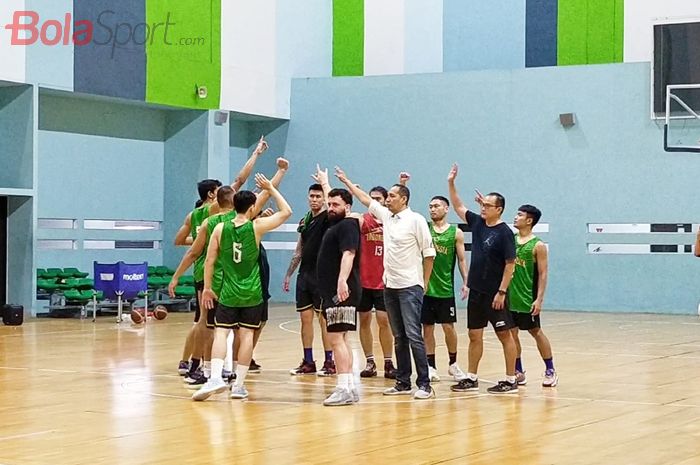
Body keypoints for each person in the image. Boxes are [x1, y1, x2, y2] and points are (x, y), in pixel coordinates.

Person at [169, 159, 289, 385]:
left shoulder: (207, 220)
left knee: (208, 325)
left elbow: (192, 252)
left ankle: (201, 368)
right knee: (238, 331)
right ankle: (230, 375)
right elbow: (265, 196)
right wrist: (279, 174)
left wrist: (176, 277)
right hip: (229, 282)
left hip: (207, 278)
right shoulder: (242, 222)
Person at [335, 167, 436, 400]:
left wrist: (425, 282)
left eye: (392, 196)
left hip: (411, 286)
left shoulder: (416, 220)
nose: (388, 199)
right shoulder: (386, 217)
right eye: (387, 196)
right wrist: (346, 180)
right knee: (399, 336)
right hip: (389, 286)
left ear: (404, 199)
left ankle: (424, 384)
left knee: (413, 335)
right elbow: (364, 198)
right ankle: (403, 382)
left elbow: (429, 254)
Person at [193, 173, 292, 401]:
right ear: (251, 208)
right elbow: (286, 212)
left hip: (227, 291)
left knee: (221, 332)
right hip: (252, 292)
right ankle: (238, 385)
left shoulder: (220, 229)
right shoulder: (256, 227)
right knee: (246, 335)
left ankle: (215, 377)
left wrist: (207, 288)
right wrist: (271, 189)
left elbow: (209, 261)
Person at [447, 164, 519, 394]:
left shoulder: (505, 232)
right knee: (474, 335)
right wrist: (451, 182)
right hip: (477, 292)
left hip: (495, 293)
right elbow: (458, 206)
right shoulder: (478, 224)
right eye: (483, 204)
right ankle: (472, 377)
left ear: (499, 209)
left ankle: (511, 379)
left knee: (504, 335)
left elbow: (510, 265)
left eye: (488, 205)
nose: (483, 207)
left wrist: (502, 292)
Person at [284, 169, 335, 376]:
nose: (314, 199)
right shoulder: (305, 221)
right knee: (305, 319)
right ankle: (308, 361)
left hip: (322, 277)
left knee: (324, 320)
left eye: (318, 196)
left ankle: (329, 362)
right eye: (312, 196)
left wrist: (325, 182)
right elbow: (299, 250)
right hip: (304, 277)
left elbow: (334, 203)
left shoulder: (327, 218)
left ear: (323, 199)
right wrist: (289, 273)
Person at [317, 188, 362, 406]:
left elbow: (349, 253)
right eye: (330, 204)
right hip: (333, 291)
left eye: (336, 205)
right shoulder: (336, 225)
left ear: (348, 207)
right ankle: (350, 386)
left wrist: (342, 280)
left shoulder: (347, 226)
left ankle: (343, 387)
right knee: (342, 339)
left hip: (341, 292)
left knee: (335, 339)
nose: (331, 208)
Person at [510, 204, 558, 387]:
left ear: (529, 220)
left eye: (519, 215)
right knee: (511, 334)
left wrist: (539, 299)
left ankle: (550, 369)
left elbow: (543, 274)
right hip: (509, 297)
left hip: (527, 298)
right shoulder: (510, 240)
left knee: (535, 331)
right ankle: (518, 370)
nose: (515, 217)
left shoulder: (537, 245)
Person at [422, 196, 469, 383]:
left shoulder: (455, 233)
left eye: (436, 206)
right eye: (430, 206)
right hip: (426, 289)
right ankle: (430, 365)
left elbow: (462, 259)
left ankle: (453, 364)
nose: (433, 209)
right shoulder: (425, 229)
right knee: (427, 328)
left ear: (446, 208)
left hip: (445, 289)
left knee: (448, 327)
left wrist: (466, 282)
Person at [357, 185, 396, 379]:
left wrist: (402, 184)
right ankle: (370, 361)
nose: (375, 201)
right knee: (364, 320)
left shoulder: (391, 220)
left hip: (384, 281)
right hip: (364, 281)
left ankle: (388, 361)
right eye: (371, 198)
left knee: (384, 321)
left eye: (378, 199)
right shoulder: (363, 220)